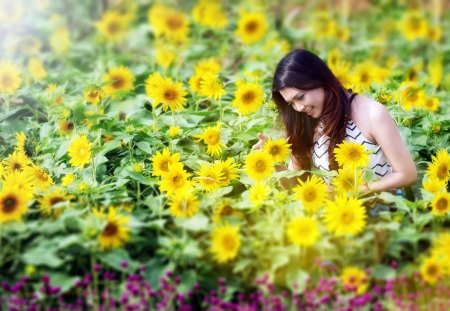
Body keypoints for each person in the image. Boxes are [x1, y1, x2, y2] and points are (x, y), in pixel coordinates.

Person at [252, 49, 417, 192]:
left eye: (300, 97)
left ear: (320, 80)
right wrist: (272, 161)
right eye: (291, 103)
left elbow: (406, 174)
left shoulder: (371, 113)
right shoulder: (306, 122)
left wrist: (355, 191)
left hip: (380, 215)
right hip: (334, 216)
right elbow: (293, 185)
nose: (299, 108)